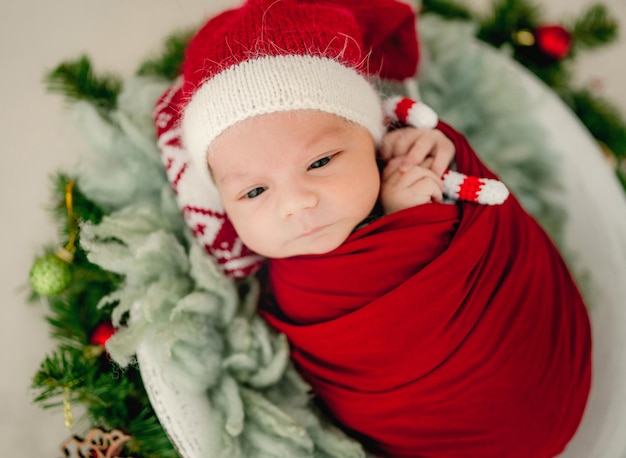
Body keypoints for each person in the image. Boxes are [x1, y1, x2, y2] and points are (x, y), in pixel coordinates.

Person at [153, 0, 592, 456]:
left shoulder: (409, 165)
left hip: (536, 366)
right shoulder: (283, 281)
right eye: (253, 193)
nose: (296, 202)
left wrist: (415, 210)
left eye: (320, 162)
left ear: (374, 141)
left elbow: (479, 221)